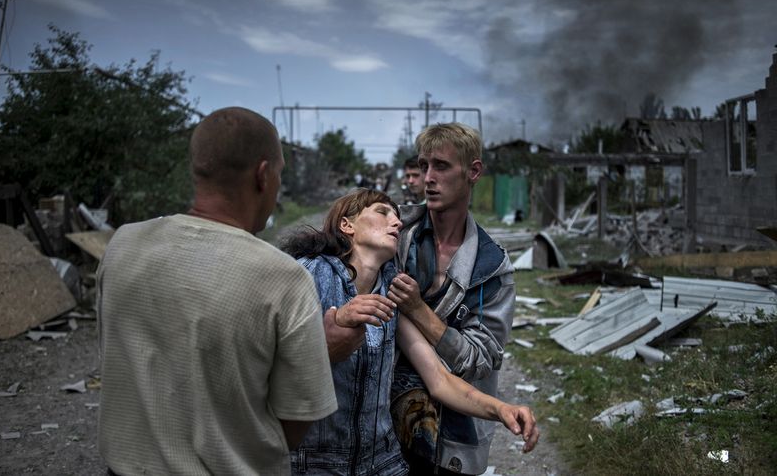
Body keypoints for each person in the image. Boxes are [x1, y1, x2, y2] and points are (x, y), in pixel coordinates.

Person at [97, 107, 337, 475]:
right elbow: (292, 426)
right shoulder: (283, 278)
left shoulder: (122, 245)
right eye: (279, 174)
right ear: (263, 175)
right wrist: (323, 348)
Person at [282, 189, 538, 475]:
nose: (397, 222)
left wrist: (501, 409)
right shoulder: (308, 275)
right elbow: (267, 357)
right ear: (347, 225)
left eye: (396, 215)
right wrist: (334, 324)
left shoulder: (392, 294)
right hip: (314, 464)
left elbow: (439, 380)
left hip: (381, 463)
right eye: (382, 212)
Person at [387, 123, 516, 475]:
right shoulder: (396, 233)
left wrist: (417, 308)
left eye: (441, 166)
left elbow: (479, 361)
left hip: (453, 430)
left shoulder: (491, 268)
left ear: (473, 172)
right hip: (382, 423)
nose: (428, 177)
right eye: (424, 165)